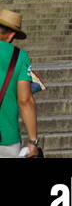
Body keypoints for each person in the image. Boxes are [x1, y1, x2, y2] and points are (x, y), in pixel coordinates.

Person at [0, 10, 38, 158]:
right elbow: (25, 101)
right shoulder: (19, 57)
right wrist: (33, 141)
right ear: (11, 35)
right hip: (6, 139)